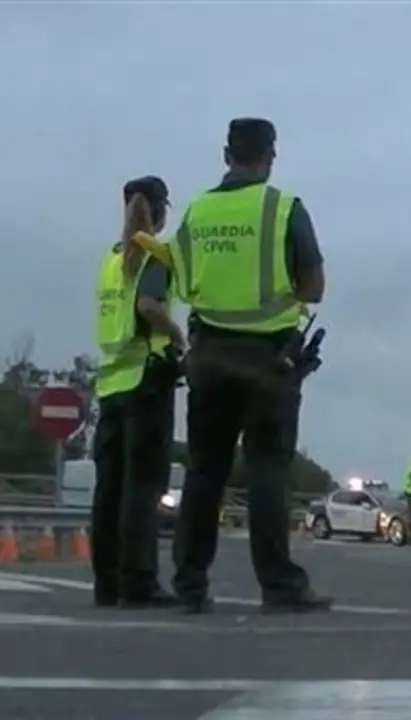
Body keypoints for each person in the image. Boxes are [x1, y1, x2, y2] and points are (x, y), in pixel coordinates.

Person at [168, 117, 333, 615]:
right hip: (268, 360)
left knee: (204, 473)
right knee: (267, 471)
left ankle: (189, 584)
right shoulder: (283, 208)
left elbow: (181, 279)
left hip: (210, 355)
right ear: (271, 156)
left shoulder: (196, 212)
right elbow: (315, 287)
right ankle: (279, 585)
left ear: (226, 155)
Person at [90, 176, 187, 608]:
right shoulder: (154, 257)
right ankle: (139, 581)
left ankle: (106, 582)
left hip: (110, 383)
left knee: (108, 489)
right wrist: (178, 335)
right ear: (162, 210)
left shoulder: (111, 261)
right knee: (142, 489)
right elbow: (149, 307)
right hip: (147, 379)